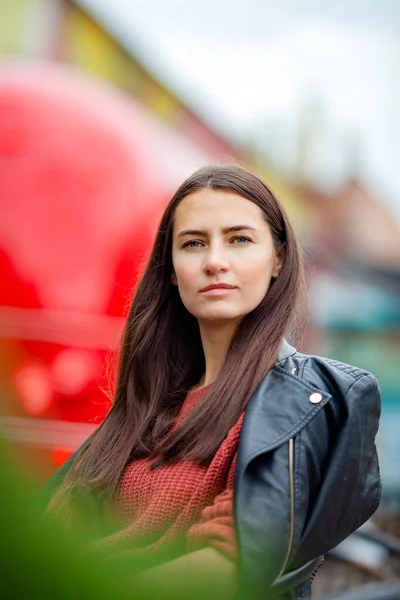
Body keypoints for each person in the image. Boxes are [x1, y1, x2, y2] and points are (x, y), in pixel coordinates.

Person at [41, 164, 381, 600]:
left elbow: (232, 565)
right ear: (170, 269)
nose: (215, 261)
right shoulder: (148, 403)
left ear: (278, 258)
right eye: (194, 243)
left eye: (239, 239)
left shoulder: (303, 399)